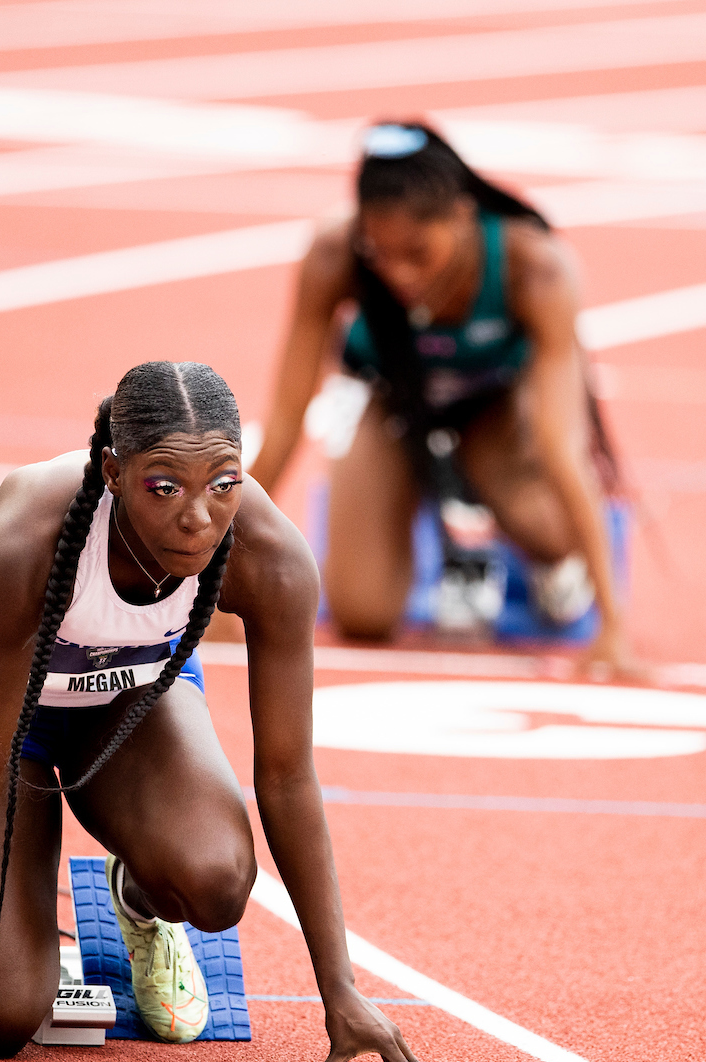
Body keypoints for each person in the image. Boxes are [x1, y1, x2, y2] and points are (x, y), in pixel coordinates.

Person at [0, 361, 456, 1062]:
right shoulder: (27, 536)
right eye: (165, 487)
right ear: (113, 472)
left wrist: (339, 990)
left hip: (131, 701)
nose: (199, 517)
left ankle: (136, 899)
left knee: (218, 882)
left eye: (224, 485)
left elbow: (286, 778)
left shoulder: (272, 559)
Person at [251, 122, 635, 673]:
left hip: (494, 410)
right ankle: (428, 507)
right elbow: (287, 419)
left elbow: (563, 447)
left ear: (462, 215)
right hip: (395, 404)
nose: (399, 273)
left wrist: (613, 627)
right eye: (380, 254)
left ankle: (513, 539)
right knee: (362, 614)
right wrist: (218, 559)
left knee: (553, 532)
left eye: (416, 253)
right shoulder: (336, 252)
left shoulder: (536, 268)